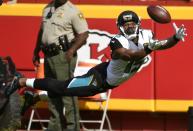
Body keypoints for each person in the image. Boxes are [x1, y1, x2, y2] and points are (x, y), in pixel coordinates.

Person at [5, 10, 186, 116]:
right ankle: (21, 81)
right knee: (62, 88)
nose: (130, 26)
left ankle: (34, 97)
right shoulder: (117, 42)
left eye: (132, 24)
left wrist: (175, 38)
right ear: (120, 27)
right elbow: (129, 55)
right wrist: (149, 48)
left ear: (139, 24)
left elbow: (161, 45)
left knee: (68, 92)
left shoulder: (147, 35)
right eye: (126, 24)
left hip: (107, 77)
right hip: (99, 79)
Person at [31, 0, 88, 131]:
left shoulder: (73, 11)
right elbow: (42, 31)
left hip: (63, 55)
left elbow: (84, 34)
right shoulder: (47, 8)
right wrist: (36, 51)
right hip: (48, 54)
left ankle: (72, 127)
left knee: (67, 92)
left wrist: (72, 50)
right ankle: (54, 126)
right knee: (52, 91)